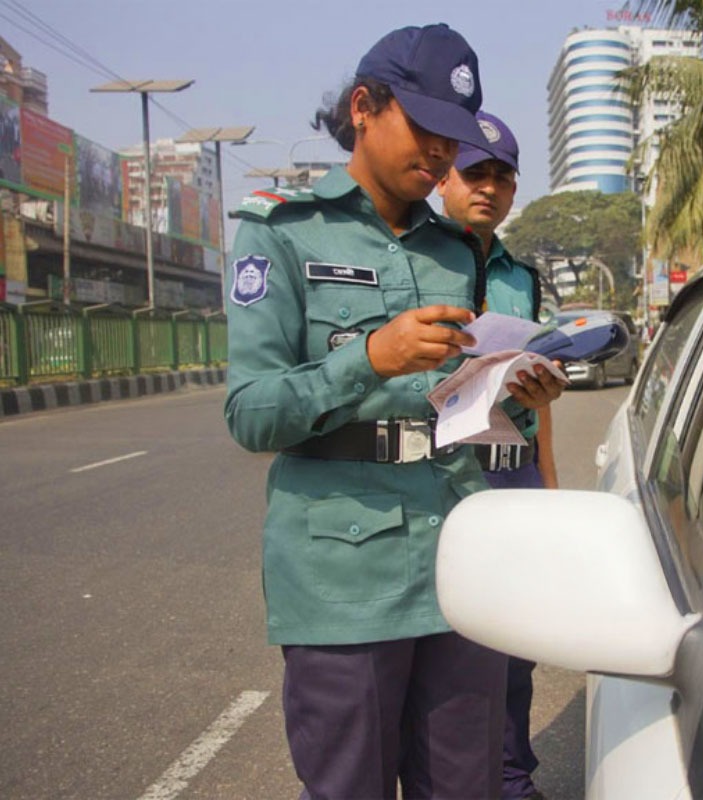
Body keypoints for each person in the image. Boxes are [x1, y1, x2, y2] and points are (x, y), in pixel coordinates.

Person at [223, 24, 565, 800]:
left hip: (459, 563)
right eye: (427, 129)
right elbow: (250, 413)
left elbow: (451, 400)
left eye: (455, 137)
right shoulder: (281, 231)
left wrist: (514, 394)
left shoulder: (457, 248)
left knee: (466, 787)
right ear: (364, 107)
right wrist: (368, 358)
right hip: (345, 577)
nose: (443, 154)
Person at [437, 110, 553, 800]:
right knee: (451, 649)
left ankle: (512, 778)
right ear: (442, 181)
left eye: (501, 177)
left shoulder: (522, 277)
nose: (488, 188)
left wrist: (551, 485)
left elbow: (534, 406)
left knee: (517, 643)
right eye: (474, 173)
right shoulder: (419, 263)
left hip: (516, 472)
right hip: (448, 473)